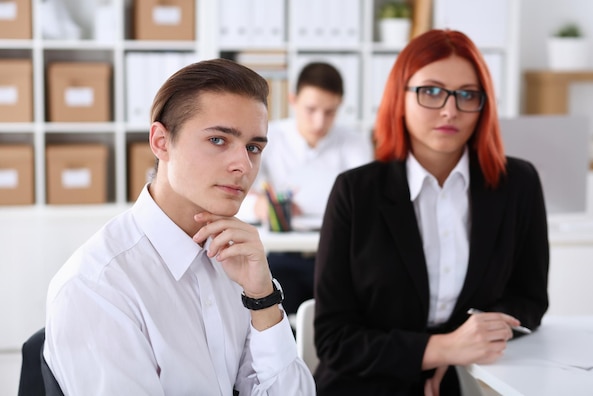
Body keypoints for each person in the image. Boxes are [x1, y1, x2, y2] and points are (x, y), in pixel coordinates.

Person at [43, 58, 316, 395]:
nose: (243, 165)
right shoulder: (98, 286)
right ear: (160, 141)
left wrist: (262, 297)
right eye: (218, 140)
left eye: (253, 147)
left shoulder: (239, 265)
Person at [313, 29, 549, 396]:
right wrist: (441, 348)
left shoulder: (517, 184)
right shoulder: (356, 192)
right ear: (399, 97)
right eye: (432, 91)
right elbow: (334, 339)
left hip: (467, 379)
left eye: (467, 95)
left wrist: (464, 345)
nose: (449, 110)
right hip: (362, 384)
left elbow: (530, 300)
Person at [240, 61, 373, 315]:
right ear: (293, 100)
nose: (319, 121)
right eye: (311, 109)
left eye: (330, 112)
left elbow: (367, 204)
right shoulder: (269, 138)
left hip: (338, 257)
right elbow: (239, 196)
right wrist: (259, 206)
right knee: (273, 319)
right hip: (283, 256)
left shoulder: (354, 143)